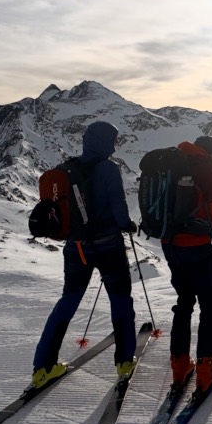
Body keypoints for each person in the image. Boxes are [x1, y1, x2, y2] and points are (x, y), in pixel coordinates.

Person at [31, 120, 138, 387]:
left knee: (68, 301)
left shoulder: (67, 168)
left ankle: (43, 367)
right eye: (113, 140)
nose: (115, 146)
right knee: (120, 300)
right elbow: (119, 209)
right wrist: (128, 225)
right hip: (108, 246)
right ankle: (124, 361)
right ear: (105, 142)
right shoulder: (108, 169)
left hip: (75, 248)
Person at [160, 135, 212, 393]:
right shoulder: (206, 169)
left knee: (184, 302)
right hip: (197, 246)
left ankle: (179, 366)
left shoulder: (171, 164)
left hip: (170, 244)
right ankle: (205, 370)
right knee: (208, 305)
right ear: (209, 151)